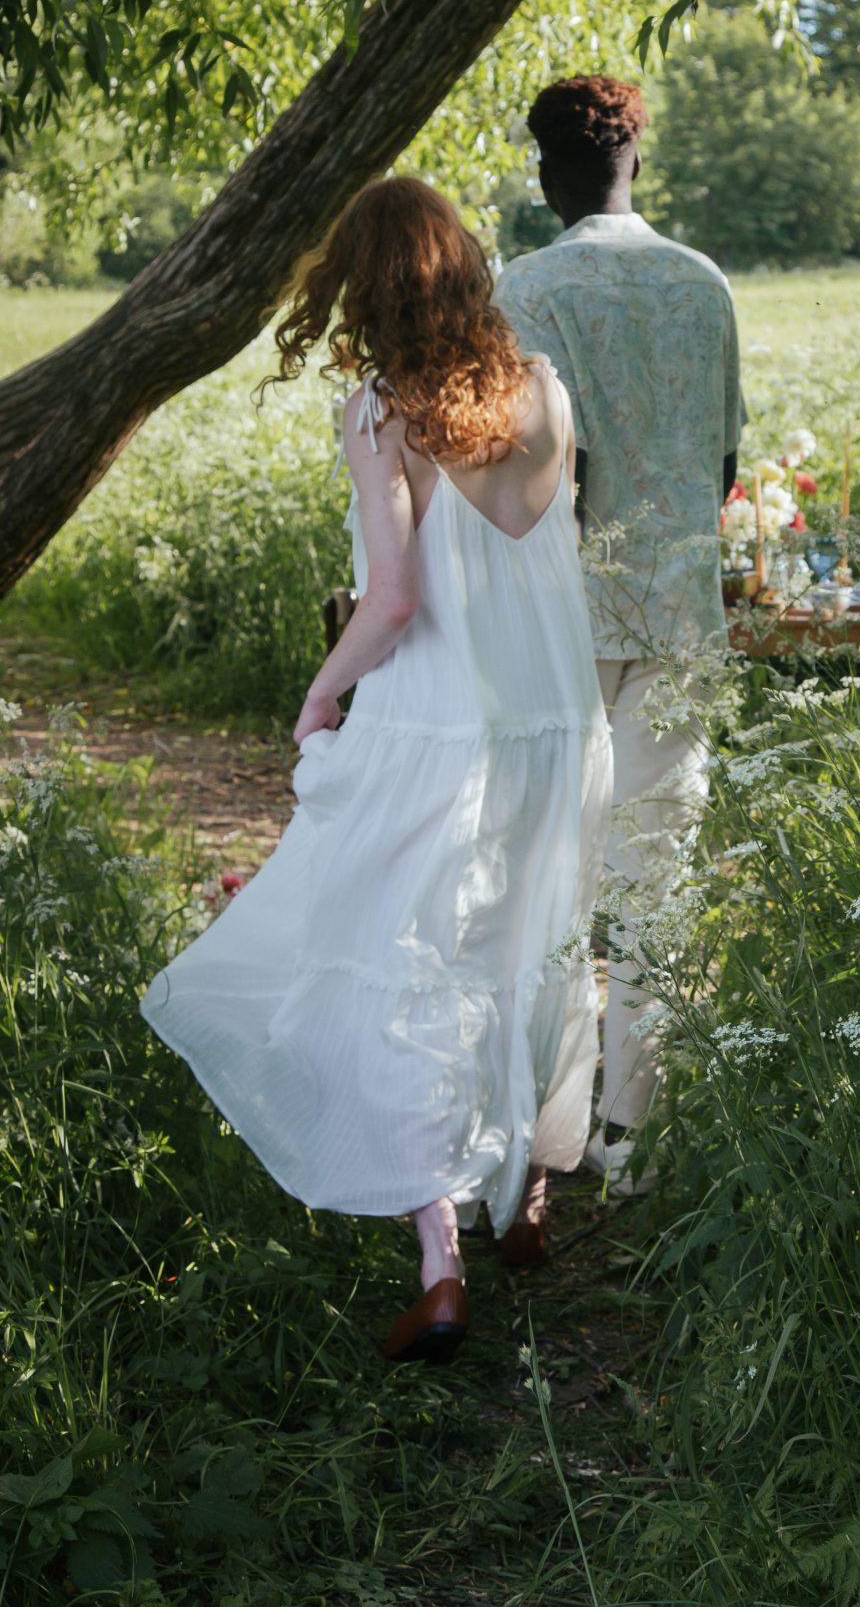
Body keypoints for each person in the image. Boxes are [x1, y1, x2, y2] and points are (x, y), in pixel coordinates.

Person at [141, 178, 611, 1365]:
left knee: (403, 959)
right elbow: (537, 547)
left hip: (435, 725)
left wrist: (322, 689)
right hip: (556, 720)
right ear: (464, 271)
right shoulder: (545, 387)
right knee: (535, 938)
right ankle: (527, 1204)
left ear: (363, 288)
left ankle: (439, 1262)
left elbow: (395, 599)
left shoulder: (382, 410)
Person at [495, 75, 743, 1189]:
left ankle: (546, 1136)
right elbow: (724, 466)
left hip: (570, 624)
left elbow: (547, 477)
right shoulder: (704, 285)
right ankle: (633, 1143)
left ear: (548, 173)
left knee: (549, 877)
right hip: (686, 617)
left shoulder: (527, 287)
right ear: (637, 161)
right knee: (661, 881)